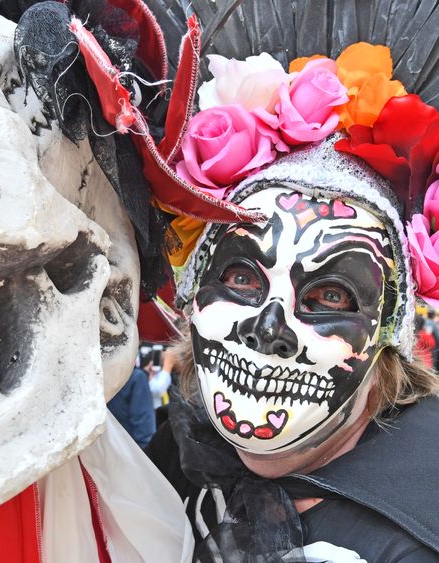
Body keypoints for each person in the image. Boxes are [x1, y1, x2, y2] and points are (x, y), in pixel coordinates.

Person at [144, 2, 439, 559]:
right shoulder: (172, 460)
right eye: (240, 276)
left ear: (386, 337)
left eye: (329, 295)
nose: (268, 328)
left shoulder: (418, 528)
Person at [107, 345, 156, 447]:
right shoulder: (136, 378)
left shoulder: (99, 376)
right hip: (128, 452)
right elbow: (144, 429)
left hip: (103, 452)